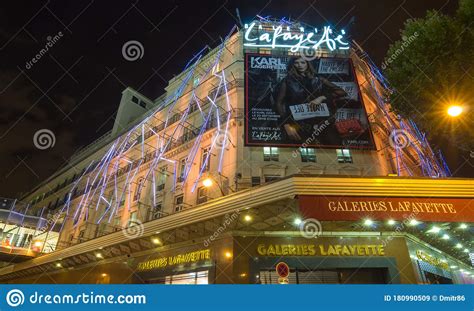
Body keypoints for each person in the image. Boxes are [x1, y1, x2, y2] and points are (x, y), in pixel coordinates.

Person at [275, 57, 347, 144]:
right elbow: (279, 103)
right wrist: (286, 124)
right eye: (296, 63)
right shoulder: (288, 81)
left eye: (303, 62)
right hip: (299, 123)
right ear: (293, 65)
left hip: (321, 122)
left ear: (308, 64)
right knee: (301, 150)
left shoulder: (318, 79)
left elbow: (342, 92)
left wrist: (321, 98)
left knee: (334, 146)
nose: (300, 65)